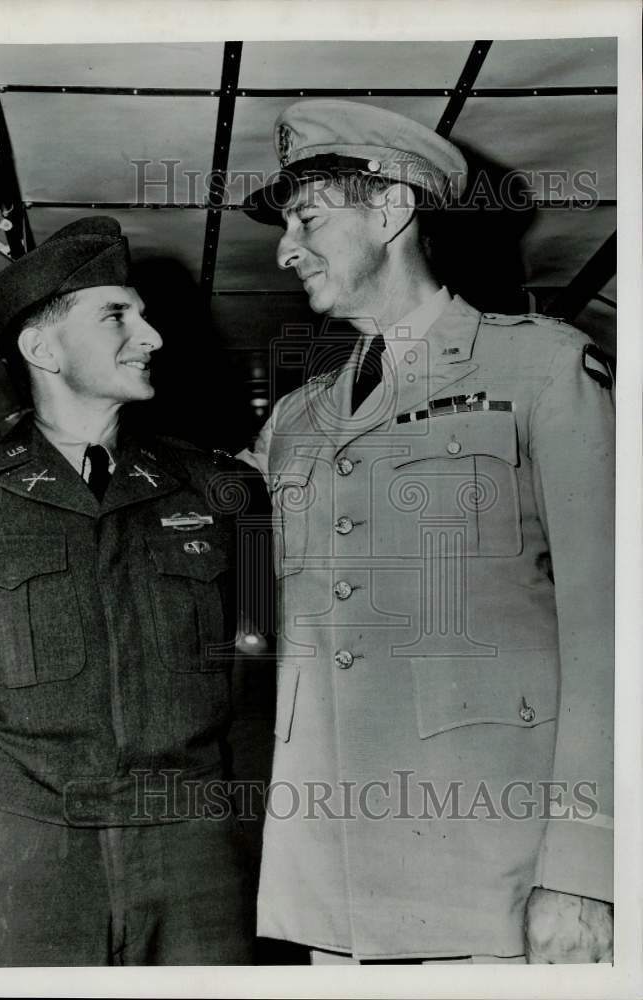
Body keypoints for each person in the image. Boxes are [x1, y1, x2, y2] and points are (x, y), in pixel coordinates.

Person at [238, 99, 614, 964]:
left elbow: (608, 630)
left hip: (496, 877)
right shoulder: (296, 420)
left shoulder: (540, 367)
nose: (285, 248)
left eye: (306, 218)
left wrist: (586, 866)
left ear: (391, 209)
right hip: (333, 883)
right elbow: (254, 614)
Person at [0, 216, 264, 967]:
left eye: (145, 313)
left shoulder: (227, 494)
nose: (151, 335)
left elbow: (260, 706)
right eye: (116, 314)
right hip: (18, 869)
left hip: (197, 868)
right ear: (41, 348)